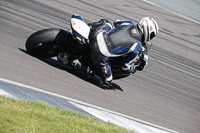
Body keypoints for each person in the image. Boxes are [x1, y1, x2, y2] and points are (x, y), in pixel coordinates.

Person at [85, 17, 159, 87]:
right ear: (147, 32)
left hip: (95, 36)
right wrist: (131, 67)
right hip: (100, 55)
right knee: (108, 81)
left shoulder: (129, 24)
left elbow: (116, 22)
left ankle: (87, 27)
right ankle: (85, 69)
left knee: (107, 23)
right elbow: (125, 64)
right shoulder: (137, 45)